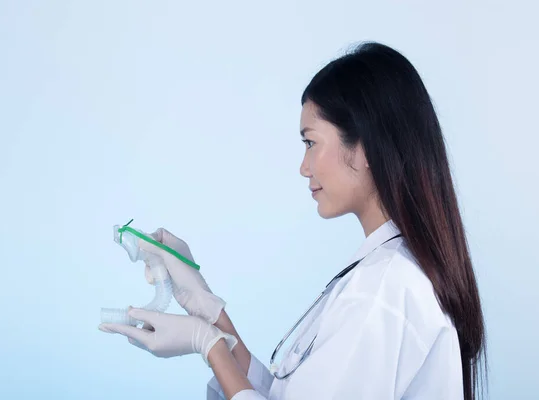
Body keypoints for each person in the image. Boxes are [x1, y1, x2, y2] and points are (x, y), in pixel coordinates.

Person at [98, 41, 488, 400]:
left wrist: (208, 344)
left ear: (367, 146)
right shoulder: (386, 274)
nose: (304, 167)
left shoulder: (382, 290)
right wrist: (207, 309)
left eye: (311, 143)